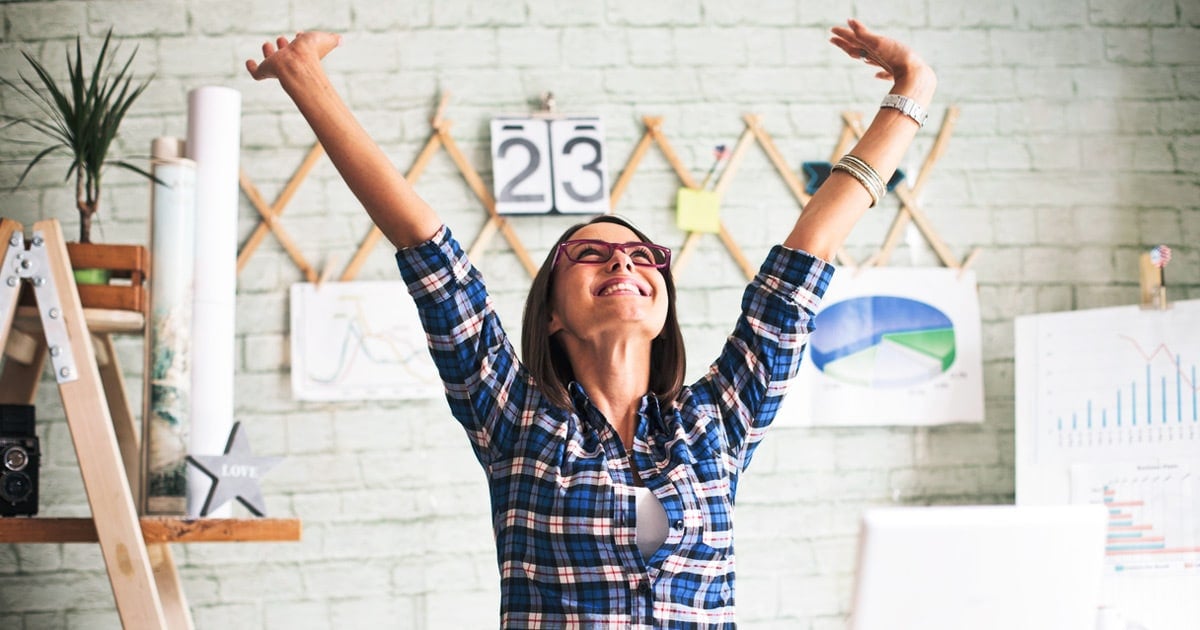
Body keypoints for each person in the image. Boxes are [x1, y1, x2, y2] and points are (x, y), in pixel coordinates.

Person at [247, 18, 935, 628]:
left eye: (642, 255)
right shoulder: (516, 422)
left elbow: (803, 263)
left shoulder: (716, 424)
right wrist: (307, 81)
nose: (624, 262)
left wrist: (912, 89)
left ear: (662, 305)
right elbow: (430, 254)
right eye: (591, 254)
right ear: (551, 312)